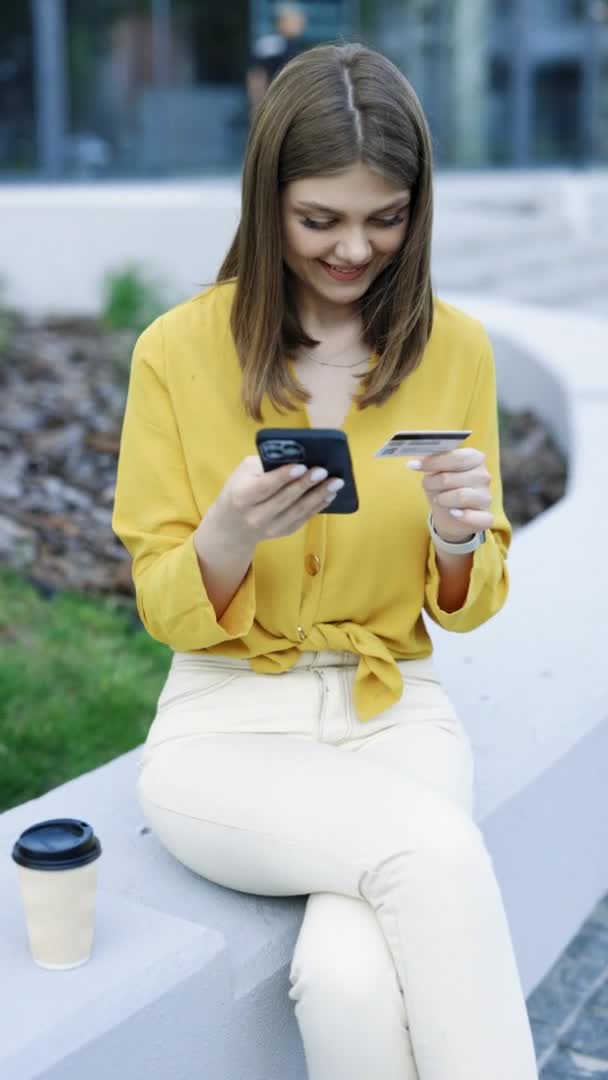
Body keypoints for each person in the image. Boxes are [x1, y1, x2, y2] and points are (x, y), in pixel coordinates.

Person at [111, 42, 540, 1080]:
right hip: (223, 726)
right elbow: (163, 609)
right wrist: (227, 534)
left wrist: (452, 537)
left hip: (395, 711)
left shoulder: (456, 350)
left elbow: (468, 603)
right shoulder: (176, 351)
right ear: (267, 204)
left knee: (347, 980)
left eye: (384, 219)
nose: (354, 249)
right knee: (430, 854)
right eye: (320, 220)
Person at [246, 2, 308, 120]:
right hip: (272, 104)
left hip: (293, 106)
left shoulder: (299, 46)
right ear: (281, 22)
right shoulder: (269, 44)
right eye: (295, 19)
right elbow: (257, 75)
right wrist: (257, 105)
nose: (301, 23)